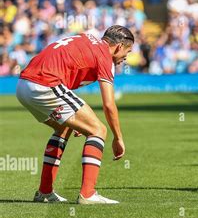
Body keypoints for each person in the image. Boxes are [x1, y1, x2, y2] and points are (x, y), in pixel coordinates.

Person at [16, 25, 134, 204]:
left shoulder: (86, 39)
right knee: (98, 130)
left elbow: (63, 65)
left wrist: (74, 119)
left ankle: (45, 192)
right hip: (45, 84)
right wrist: (118, 138)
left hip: (23, 85)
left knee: (63, 129)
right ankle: (88, 194)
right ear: (119, 46)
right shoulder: (104, 56)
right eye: (128, 51)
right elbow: (109, 105)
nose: (126, 57)